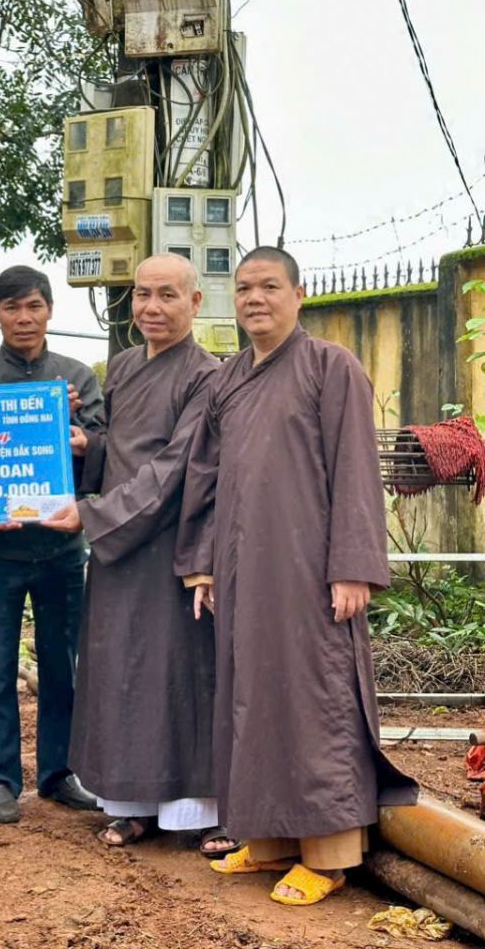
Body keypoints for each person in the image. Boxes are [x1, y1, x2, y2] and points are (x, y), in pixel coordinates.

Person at [175, 246, 417, 905]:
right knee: (252, 699)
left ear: (297, 295)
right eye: (244, 288)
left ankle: (329, 854)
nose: (254, 298)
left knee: (315, 700)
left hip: (310, 570)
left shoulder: (328, 366)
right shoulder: (227, 381)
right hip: (240, 568)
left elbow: (354, 469)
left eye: (269, 287)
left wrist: (353, 568)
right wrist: (201, 566)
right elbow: (203, 478)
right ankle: (271, 839)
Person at [43, 255, 234, 853]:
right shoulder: (122, 366)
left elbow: (176, 469)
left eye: (167, 296)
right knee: (118, 671)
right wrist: (85, 445)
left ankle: (188, 807)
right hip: (118, 549)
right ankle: (128, 804)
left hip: (171, 547)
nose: (151, 308)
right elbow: (117, 452)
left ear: (195, 303)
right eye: (142, 295)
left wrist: (93, 514)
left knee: (172, 674)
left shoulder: (207, 376)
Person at [0, 264, 103, 824]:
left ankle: (60, 774)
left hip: (62, 549)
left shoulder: (76, 378)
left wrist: (76, 425)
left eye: (34, 306)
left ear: (49, 311)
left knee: (63, 666)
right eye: (12, 307)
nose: (24, 317)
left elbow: (103, 448)